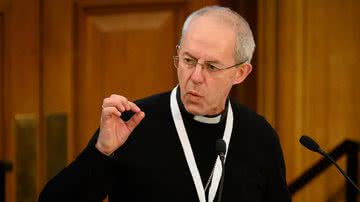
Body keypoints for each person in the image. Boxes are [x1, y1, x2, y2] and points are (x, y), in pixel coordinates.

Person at [39, 6, 291, 202]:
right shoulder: (132, 124)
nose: (195, 77)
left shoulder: (259, 136)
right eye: (188, 60)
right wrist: (101, 152)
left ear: (241, 73)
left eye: (211, 67)